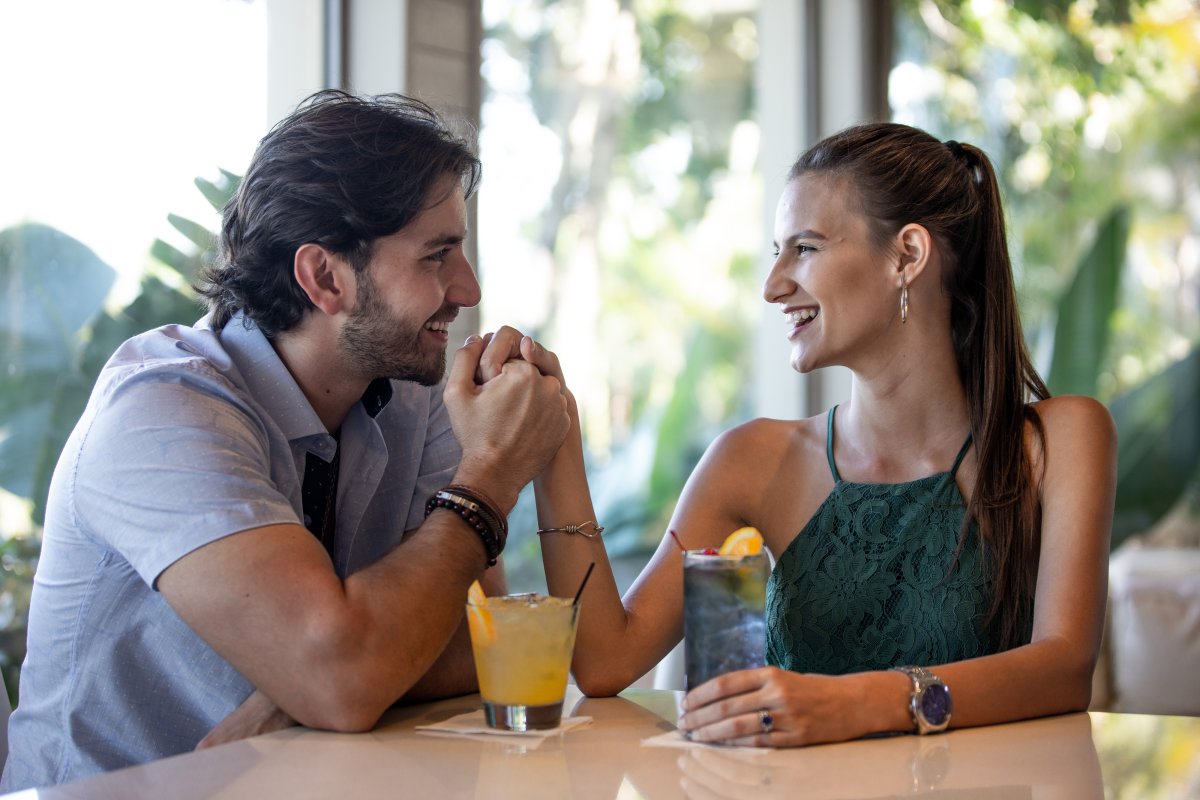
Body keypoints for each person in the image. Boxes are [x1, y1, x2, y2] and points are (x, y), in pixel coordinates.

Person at [2, 91, 569, 789]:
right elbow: (353, 675)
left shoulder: (414, 395)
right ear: (323, 277)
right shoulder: (162, 412)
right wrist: (489, 476)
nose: (469, 288)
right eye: (437, 256)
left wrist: (292, 698)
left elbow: (469, 642)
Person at [530, 122, 1116, 746]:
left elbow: (1063, 668)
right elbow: (605, 661)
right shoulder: (751, 459)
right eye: (777, 250)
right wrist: (555, 439)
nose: (774, 284)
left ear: (907, 256)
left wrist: (851, 702)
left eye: (804, 249)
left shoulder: (1060, 441)